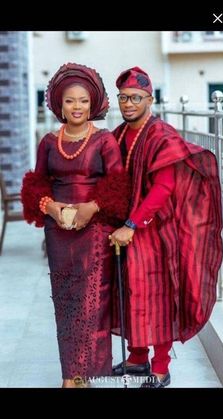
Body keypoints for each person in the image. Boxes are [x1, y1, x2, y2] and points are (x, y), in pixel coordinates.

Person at [109, 66, 223, 388]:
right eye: (123, 97)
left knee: (156, 298)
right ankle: (136, 358)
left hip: (154, 231)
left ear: (150, 98)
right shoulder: (118, 134)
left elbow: (164, 187)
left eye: (135, 97)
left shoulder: (162, 135)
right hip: (124, 228)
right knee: (130, 294)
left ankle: (160, 368)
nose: (128, 103)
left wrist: (132, 224)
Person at [21, 63, 130, 388]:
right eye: (70, 101)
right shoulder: (49, 142)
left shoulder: (105, 140)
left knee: (91, 301)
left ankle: (84, 373)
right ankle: (71, 375)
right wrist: (51, 207)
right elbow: (36, 184)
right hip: (58, 231)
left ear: (93, 103)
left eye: (83, 100)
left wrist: (92, 207)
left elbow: (119, 184)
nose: (77, 107)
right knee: (66, 302)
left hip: (94, 230)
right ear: (59, 104)